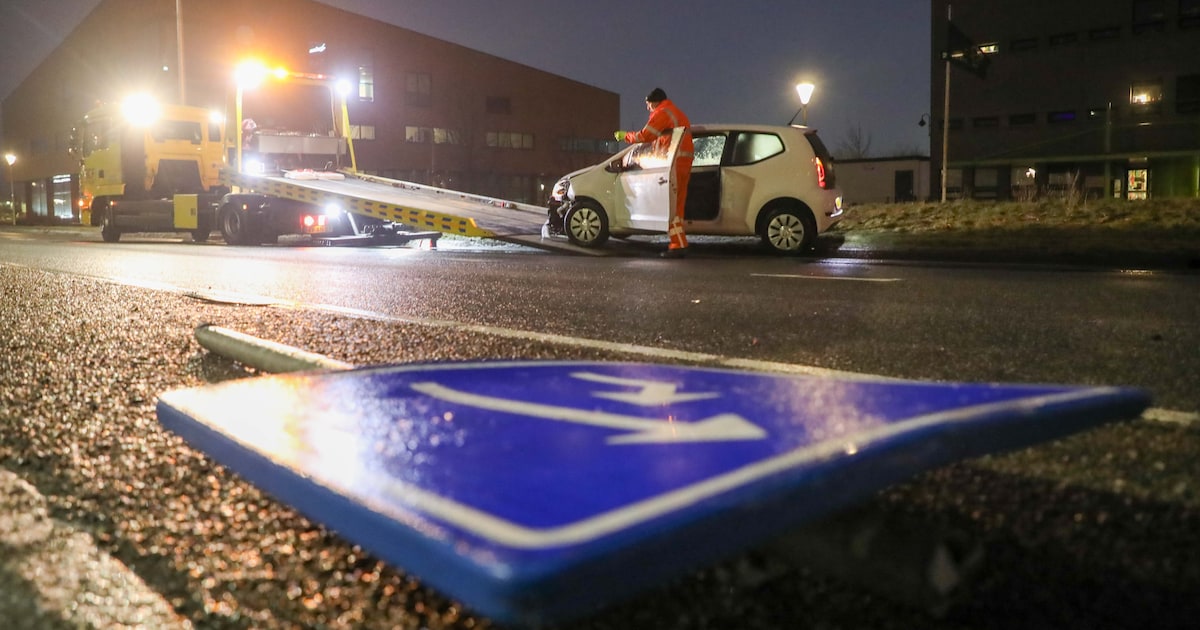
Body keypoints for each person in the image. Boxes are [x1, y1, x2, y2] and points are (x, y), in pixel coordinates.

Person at [615, 88, 693, 258]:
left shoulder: (663, 112)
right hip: (681, 162)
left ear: (655, 101)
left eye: (648, 103)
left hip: (674, 164)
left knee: (670, 206)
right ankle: (679, 243)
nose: (647, 107)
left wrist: (624, 136)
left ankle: (678, 245)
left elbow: (645, 135)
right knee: (676, 207)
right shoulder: (675, 112)